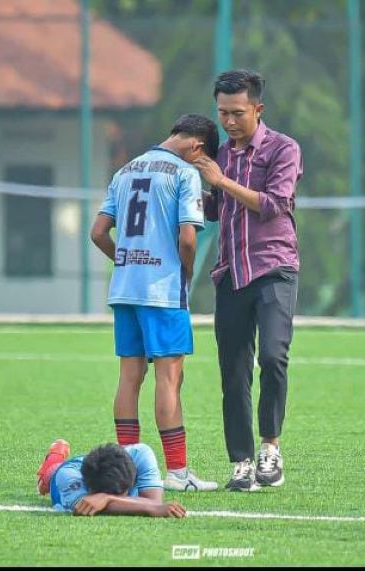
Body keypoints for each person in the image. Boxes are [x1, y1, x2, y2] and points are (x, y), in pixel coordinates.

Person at [90, 114, 220, 492]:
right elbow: (187, 240)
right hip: (162, 291)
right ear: (198, 148)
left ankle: (125, 473)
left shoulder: (125, 171)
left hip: (125, 288)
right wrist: (186, 272)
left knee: (129, 378)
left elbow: (98, 232)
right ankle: (177, 473)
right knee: (170, 377)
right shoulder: (184, 174)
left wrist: (125, 260)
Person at [193, 69, 303, 492]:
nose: (229, 122)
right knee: (233, 373)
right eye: (222, 113)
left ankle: (270, 448)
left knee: (274, 357)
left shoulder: (283, 149)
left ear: (258, 109)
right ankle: (240, 461)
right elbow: (217, 208)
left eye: (238, 113)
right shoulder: (219, 153)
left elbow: (274, 205)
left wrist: (222, 182)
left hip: (274, 268)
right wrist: (190, 196)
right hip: (230, 273)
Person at [36, 439, 186, 517]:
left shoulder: (141, 454)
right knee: (51, 474)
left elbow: (155, 501)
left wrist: (106, 498)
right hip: (68, 469)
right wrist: (108, 499)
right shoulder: (68, 477)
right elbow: (85, 506)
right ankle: (54, 457)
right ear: (91, 490)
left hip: (100, 463)